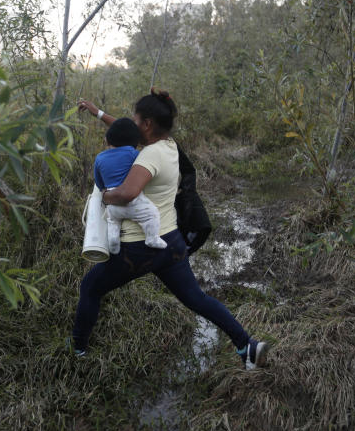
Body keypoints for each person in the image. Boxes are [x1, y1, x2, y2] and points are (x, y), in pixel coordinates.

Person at [72, 88, 270, 369]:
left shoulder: (148, 157)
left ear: (148, 124)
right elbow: (125, 132)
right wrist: (98, 113)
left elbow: (126, 193)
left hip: (138, 249)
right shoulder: (169, 147)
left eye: (136, 118)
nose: (132, 122)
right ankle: (246, 345)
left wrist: (102, 197)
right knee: (196, 298)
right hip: (170, 243)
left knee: (90, 287)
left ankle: (77, 351)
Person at [95, 117, 167, 254]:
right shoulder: (134, 154)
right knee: (151, 214)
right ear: (135, 142)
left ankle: (114, 245)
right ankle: (152, 238)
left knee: (113, 222)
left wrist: (104, 190)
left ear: (108, 140)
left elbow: (99, 183)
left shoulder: (99, 158)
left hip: (112, 203)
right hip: (133, 202)